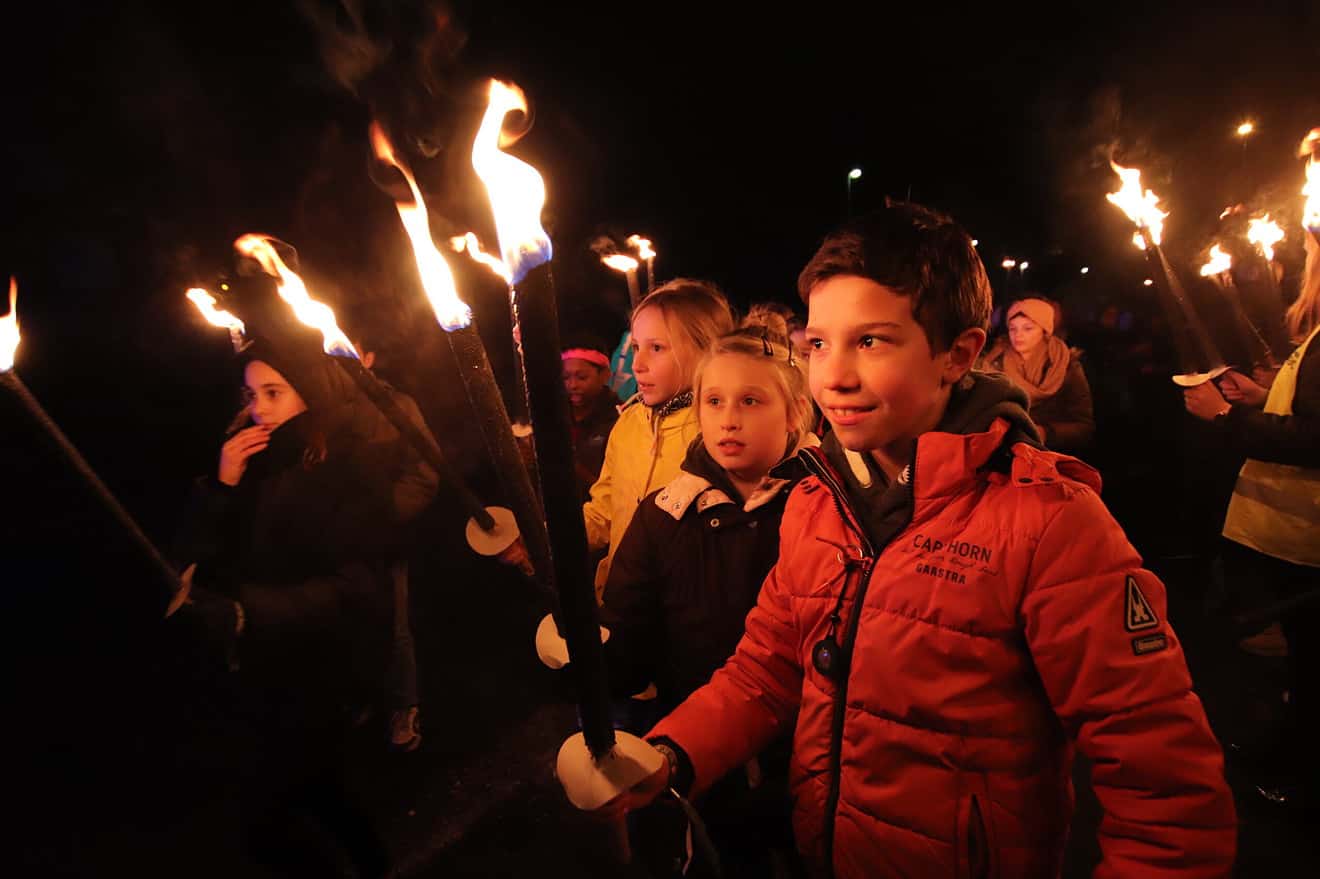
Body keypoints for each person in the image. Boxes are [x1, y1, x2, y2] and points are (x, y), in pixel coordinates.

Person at [608, 202, 1236, 877]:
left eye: (871, 341)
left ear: (958, 353)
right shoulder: (817, 500)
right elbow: (767, 668)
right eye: (818, 343)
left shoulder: (1052, 522)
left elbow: (1165, 799)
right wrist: (670, 753)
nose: (833, 376)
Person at [172, 336, 403, 878]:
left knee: (270, 819)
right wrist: (220, 487)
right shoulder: (251, 464)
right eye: (252, 394)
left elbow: (357, 589)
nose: (259, 408)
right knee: (319, 791)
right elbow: (195, 559)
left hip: (320, 670)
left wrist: (250, 611)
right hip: (262, 671)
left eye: (274, 392)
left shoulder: (347, 468)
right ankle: (375, 865)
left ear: (311, 393)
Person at [596, 308, 816, 875]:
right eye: (713, 402)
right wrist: (588, 660)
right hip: (699, 744)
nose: (729, 420)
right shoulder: (665, 516)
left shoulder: (825, 512)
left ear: (794, 414)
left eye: (751, 401)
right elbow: (628, 636)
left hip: (806, 752)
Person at [1183, 227, 1320, 811]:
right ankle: (1290, 754)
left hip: (1307, 535)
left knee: (1312, 663)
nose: (1303, 255)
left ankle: (1302, 777)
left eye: (1312, 250)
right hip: (1292, 536)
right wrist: (1262, 394)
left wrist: (1223, 419)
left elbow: (1315, 436)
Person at [583, 279, 734, 597]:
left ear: (706, 349)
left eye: (657, 348)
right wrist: (544, 536)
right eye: (637, 347)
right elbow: (605, 512)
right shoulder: (628, 425)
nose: (638, 364)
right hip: (616, 600)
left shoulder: (723, 436)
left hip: (685, 615)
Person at [980, 296, 1095, 455]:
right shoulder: (993, 362)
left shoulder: (1066, 368)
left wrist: (1046, 433)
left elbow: (1084, 427)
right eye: (1013, 328)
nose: (1018, 335)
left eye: (1028, 328)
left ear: (1044, 330)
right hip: (1000, 451)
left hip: (1046, 456)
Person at [562, 335, 621, 502]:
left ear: (605, 375)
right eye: (566, 377)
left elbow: (619, 489)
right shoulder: (557, 413)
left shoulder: (619, 419)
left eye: (582, 377)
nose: (572, 385)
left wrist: (572, 467)